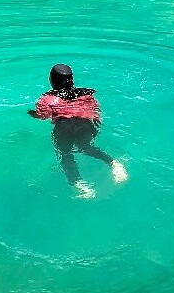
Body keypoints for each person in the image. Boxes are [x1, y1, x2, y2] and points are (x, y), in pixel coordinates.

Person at [29, 64, 128, 199]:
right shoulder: (86, 94)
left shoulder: (47, 99)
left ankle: (78, 183)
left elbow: (43, 116)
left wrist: (32, 114)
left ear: (51, 81)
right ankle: (113, 163)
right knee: (86, 148)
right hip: (85, 125)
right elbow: (95, 111)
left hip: (64, 128)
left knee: (65, 154)